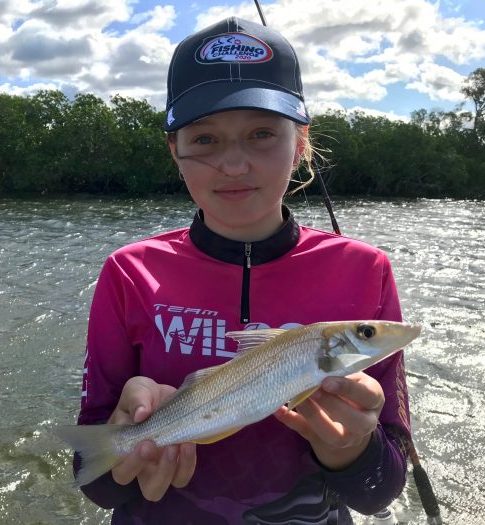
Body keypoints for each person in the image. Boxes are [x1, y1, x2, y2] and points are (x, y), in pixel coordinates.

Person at [74, 16, 411, 525]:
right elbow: (94, 479)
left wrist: (351, 449)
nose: (233, 165)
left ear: (300, 144)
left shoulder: (365, 270)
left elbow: (378, 492)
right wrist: (129, 453)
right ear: (175, 152)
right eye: (205, 140)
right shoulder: (129, 272)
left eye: (261, 134)